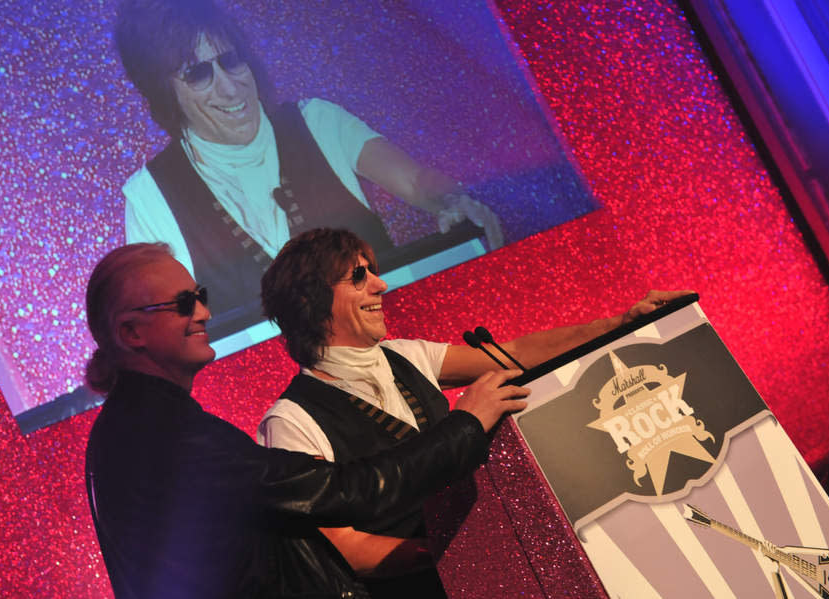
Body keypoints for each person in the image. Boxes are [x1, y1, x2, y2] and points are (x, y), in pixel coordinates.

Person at [258, 228, 689, 598]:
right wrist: (466, 552)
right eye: (358, 276)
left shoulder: (406, 355)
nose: (380, 284)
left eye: (372, 270)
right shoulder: (291, 421)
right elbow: (343, 547)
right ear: (310, 300)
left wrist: (619, 323)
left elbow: (514, 356)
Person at [83, 242, 527, 599]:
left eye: (200, 297)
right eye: (183, 304)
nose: (204, 313)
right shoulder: (164, 434)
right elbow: (338, 494)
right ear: (131, 333)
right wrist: (466, 424)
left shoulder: (145, 424)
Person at [114, 0, 503, 336]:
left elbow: (418, 182)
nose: (230, 88)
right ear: (164, 92)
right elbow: (168, 326)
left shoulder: (318, 122)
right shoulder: (150, 198)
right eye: (198, 74)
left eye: (231, 61)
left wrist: (456, 201)